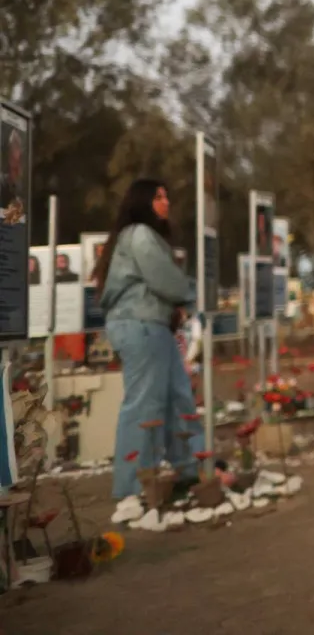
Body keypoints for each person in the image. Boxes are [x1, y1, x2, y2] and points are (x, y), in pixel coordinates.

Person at [96, 179, 201, 500]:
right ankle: (132, 486)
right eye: (158, 197)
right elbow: (165, 279)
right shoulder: (139, 235)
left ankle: (191, 468)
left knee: (178, 397)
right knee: (144, 405)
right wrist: (196, 296)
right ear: (142, 202)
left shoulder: (143, 237)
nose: (166, 202)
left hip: (155, 327)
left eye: (167, 196)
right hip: (140, 326)